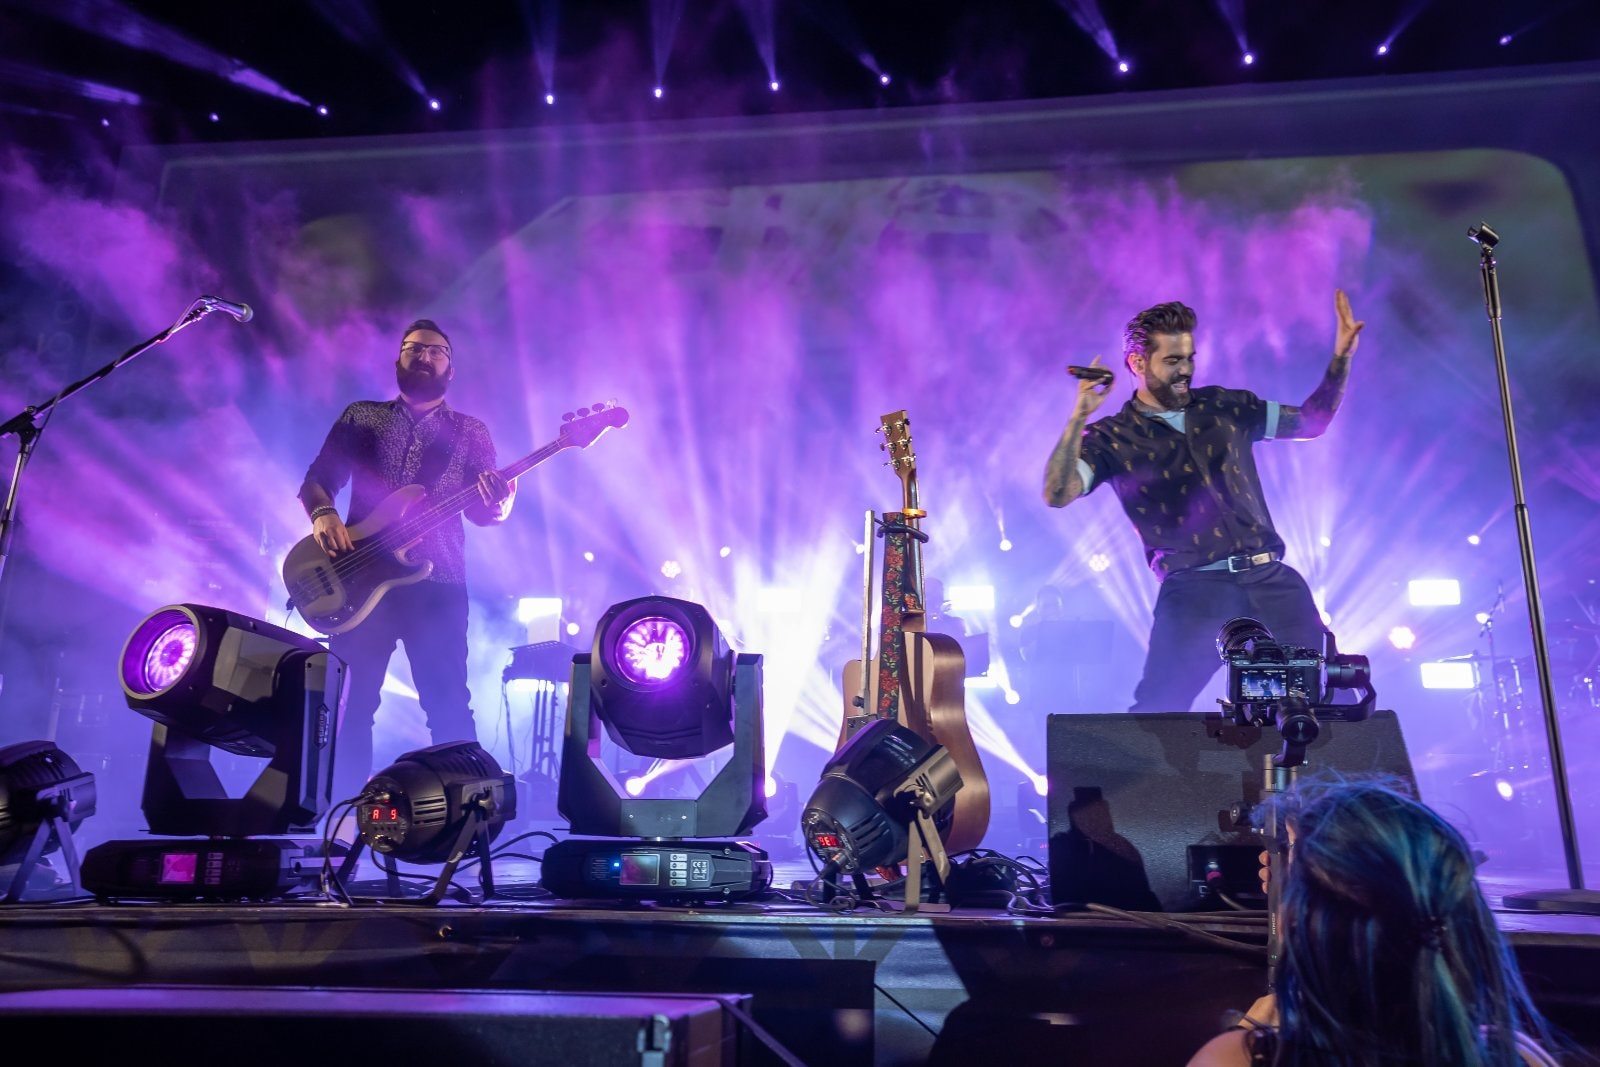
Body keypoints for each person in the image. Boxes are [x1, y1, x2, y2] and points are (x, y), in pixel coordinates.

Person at [1042, 293, 1363, 711]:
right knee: (1159, 712)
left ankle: (1311, 775)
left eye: (1190, 358)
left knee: (1325, 699)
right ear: (1138, 363)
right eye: (1173, 361)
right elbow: (1057, 493)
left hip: (1273, 582)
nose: (1186, 370)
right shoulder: (1112, 437)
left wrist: (1341, 357)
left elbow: (1311, 422)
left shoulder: (1226, 406)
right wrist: (1078, 416)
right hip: (1195, 592)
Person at [1187, 779, 1560, 1066]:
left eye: (1292, 866)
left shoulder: (1240, 1057)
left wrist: (1252, 1035)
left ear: (1306, 922)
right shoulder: (1516, 1056)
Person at [299, 319, 515, 803]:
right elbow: (317, 478)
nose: (424, 356)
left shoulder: (470, 431)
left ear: (450, 369)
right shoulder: (363, 416)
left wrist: (502, 503)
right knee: (350, 704)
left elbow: (485, 514)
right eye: (413, 348)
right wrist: (324, 514)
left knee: (448, 704)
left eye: (436, 350)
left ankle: (465, 816)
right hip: (359, 578)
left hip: (438, 583)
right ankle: (345, 814)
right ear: (398, 360)